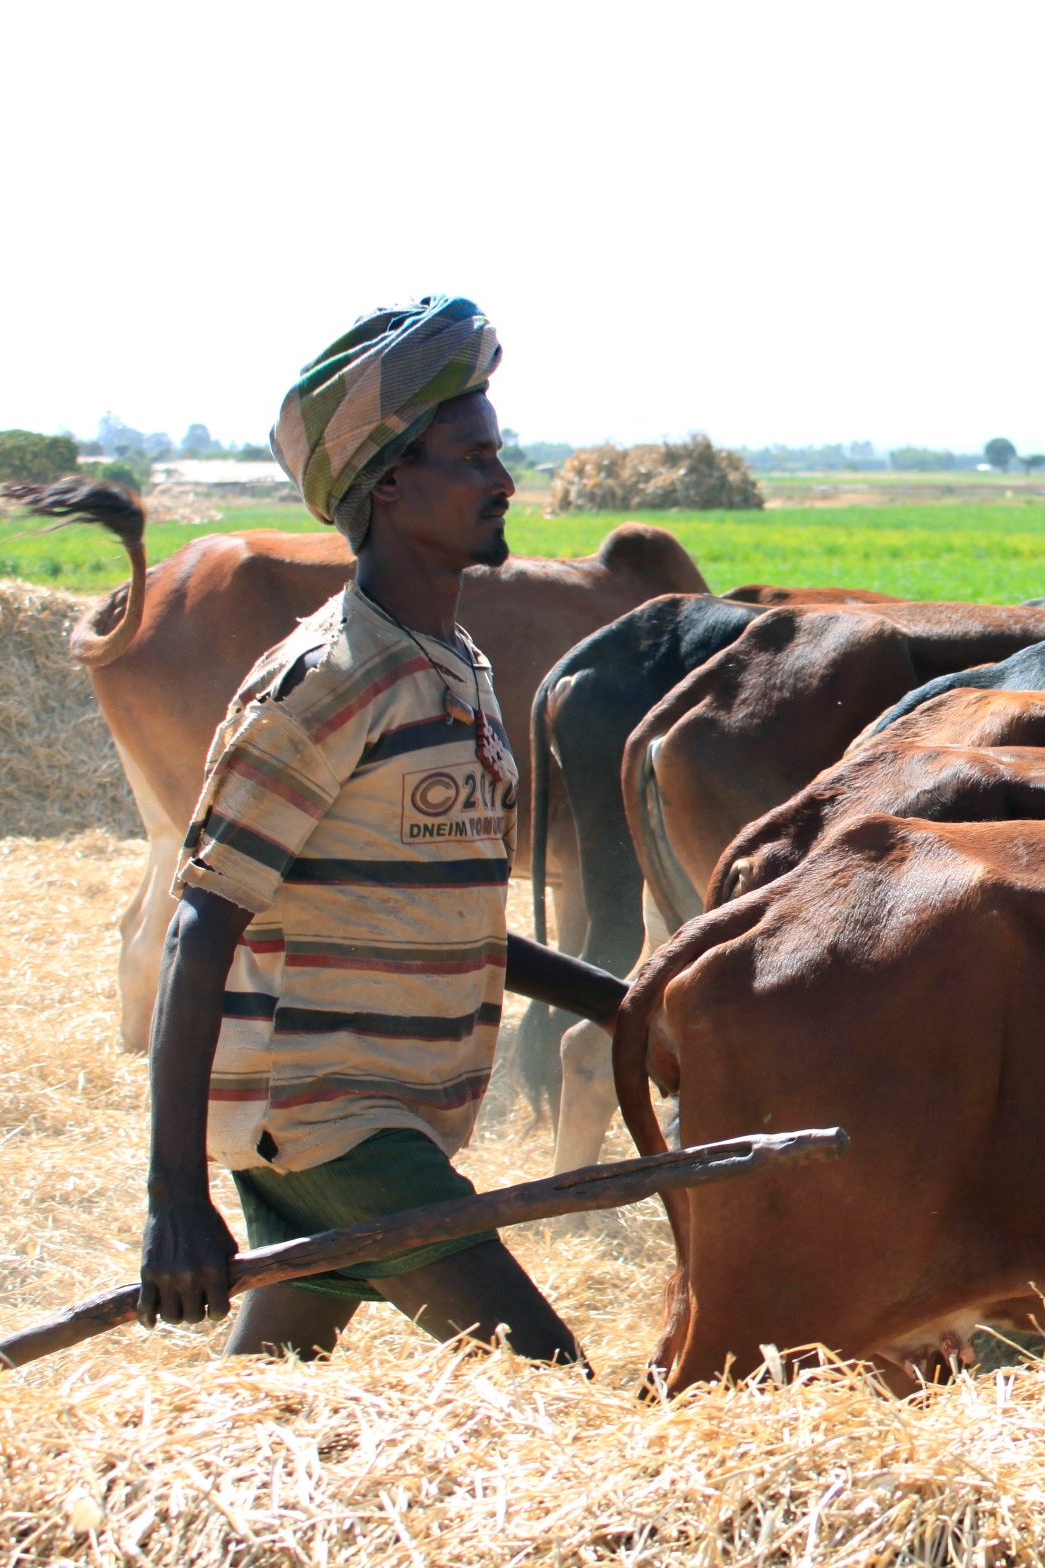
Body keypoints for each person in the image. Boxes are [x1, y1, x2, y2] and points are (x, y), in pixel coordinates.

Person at [136, 296, 626, 1365]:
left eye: (501, 455)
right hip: (332, 1120)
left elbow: (450, 922)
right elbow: (199, 928)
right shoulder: (327, 682)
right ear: (390, 482)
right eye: (472, 458)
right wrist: (173, 1195)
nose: (503, 482)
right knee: (552, 1385)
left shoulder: (456, 671)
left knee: (262, 1393)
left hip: (375, 1117)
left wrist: (625, 1006)